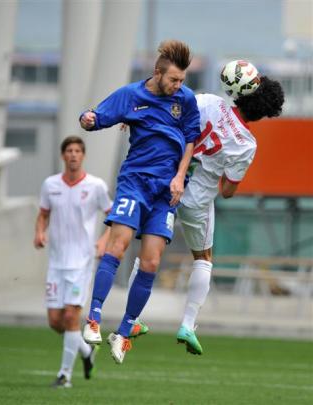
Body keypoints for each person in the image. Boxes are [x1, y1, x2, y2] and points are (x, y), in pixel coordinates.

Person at [128, 74, 285, 355]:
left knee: (150, 252)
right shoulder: (247, 144)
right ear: (264, 114)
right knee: (204, 258)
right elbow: (226, 191)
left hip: (168, 183)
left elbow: (174, 117)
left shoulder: (210, 102)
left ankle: (132, 319)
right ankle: (188, 325)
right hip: (197, 201)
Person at [79, 39, 201, 364]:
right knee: (116, 248)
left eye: (182, 81)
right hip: (135, 184)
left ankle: (123, 331)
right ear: (157, 73)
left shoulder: (185, 100)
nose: (179, 86)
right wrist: (88, 119)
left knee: (150, 263)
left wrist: (179, 177)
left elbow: (191, 139)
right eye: (174, 80)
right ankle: (93, 318)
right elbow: (96, 115)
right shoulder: (131, 95)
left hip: (167, 192)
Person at [34, 136, 112, 387]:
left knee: (70, 316)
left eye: (78, 150)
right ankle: (86, 352)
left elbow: (113, 216)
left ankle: (64, 376)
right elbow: (43, 214)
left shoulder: (96, 185)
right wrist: (39, 232)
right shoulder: (50, 184)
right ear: (63, 155)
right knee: (55, 321)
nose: (73, 155)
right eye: (69, 150)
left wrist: (104, 240)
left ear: (83, 155)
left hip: (82, 261)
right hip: (56, 261)